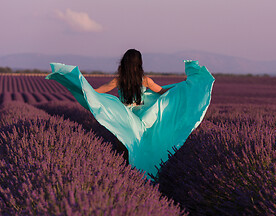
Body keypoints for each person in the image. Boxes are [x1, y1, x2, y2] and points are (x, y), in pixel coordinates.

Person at [46, 49, 215, 178]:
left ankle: (124, 174)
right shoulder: (145, 80)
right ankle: (143, 174)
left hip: (124, 116)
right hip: (142, 117)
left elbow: (98, 91)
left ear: (124, 63)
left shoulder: (118, 80)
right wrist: (182, 90)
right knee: (142, 144)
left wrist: (84, 90)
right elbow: (162, 92)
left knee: (123, 146)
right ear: (139, 63)